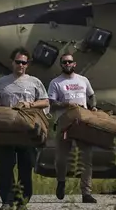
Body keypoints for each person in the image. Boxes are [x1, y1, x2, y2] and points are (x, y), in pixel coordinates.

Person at [0, 47, 49, 210]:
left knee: (25, 166)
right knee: (5, 165)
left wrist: (30, 104)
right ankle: (7, 201)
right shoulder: (2, 81)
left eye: (24, 62)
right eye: (18, 62)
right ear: (12, 62)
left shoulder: (34, 82)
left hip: (27, 130)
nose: (20, 65)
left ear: (27, 64)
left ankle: (22, 201)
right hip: (6, 129)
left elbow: (45, 101)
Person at [47, 53, 98, 204]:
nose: (67, 64)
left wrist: (93, 106)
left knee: (86, 158)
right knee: (61, 159)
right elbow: (52, 103)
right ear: (61, 64)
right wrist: (66, 104)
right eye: (64, 62)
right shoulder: (56, 83)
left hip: (82, 122)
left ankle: (86, 193)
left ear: (74, 64)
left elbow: (92, 95)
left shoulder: (83, 80)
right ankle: (61, 181)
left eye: (70, 62)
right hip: (64, 123)